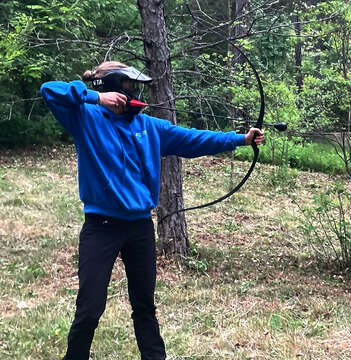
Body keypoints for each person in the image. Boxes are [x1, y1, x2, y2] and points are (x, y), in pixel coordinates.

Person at [40, 61, 265, 359]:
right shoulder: (85, 116)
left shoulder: (148, 127)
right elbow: (49, 91)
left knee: (144, 306)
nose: (134, 92)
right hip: (101, 227)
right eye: (129, 86)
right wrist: (95, 97)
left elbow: (193, 138)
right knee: (89, 309)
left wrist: (241, 139)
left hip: (139, 228)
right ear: (112, 87)